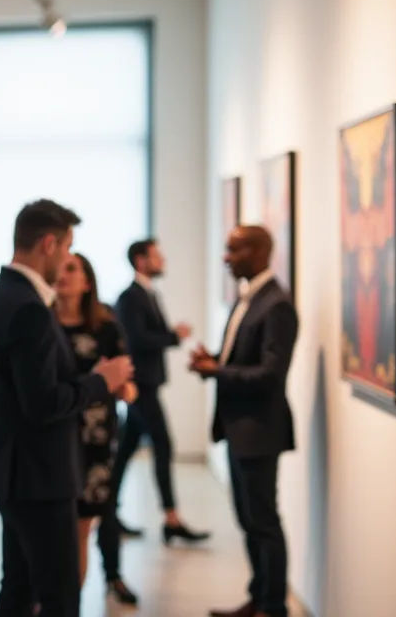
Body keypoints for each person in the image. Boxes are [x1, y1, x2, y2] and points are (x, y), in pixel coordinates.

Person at [0, 199, 133, 617]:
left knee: (19, 588)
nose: (66, 260)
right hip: (39, 478)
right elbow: (42, 404)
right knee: (58, 596)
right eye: (66, 249)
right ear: (49, 244)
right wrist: (102, 382)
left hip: (13, 472)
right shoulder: (28, 308)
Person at [189, 226, 297, 617]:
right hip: (238, 429)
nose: (225, 258)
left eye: (233, 250)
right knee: (249, 519)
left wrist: (217, 371)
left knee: (264, 521)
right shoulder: (249, 299)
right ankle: (259, 598)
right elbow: (240, 359)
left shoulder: (276, 305)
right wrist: (213, 363)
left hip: (259, 430)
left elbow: (270, 374)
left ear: (257, 251)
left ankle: (274, 607)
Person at [53, 253, 139, 605]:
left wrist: (118, 384)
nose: (63, 273)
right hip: (55, 438)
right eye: (60, 266)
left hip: (96, 440)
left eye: (72, 268)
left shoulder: (106, 326)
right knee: (51, 533)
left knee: (84, 527)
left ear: (87, 281)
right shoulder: (42, 323)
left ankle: (81, 594)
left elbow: (128, 388)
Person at [111, 238, 210, 542]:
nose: (163, 260)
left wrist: (171, 336)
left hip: (148, 382)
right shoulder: (130, 297)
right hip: (139, 386)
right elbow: (137, 340)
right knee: (163, 445)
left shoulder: (147, 294)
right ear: (141, 260)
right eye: (157, 256)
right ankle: (170, 517)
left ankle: (108, 512)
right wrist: (173, 335)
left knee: (126, 448)